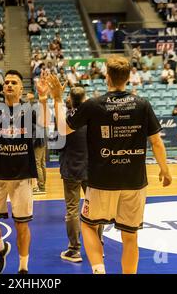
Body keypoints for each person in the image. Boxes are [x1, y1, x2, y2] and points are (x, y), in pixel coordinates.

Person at [48, 55, 172, 274]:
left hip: (101, 182)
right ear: (128, 78)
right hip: (134, 182)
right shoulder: (142, 104)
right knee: (130, 235)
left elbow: (62, 129)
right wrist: (165, 169)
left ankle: (99, 270)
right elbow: (156, 142)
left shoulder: (93, 104)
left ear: (107, 77)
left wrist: (57, 99)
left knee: (87, 224)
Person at [0, 70, 49, 274]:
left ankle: (23, 268)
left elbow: (44, 123)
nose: (9, 84)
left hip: (23, 176)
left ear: (20, 88)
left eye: (13, 82)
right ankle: (1, 248)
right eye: (6, 82)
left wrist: (43, 99)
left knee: (21, 226)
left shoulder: (30, 110)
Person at [59, 87, 103, 263]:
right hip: (91, 169)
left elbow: (57, 144)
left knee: (72, 210)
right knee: (95, 210)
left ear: (70, 99)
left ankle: (74, 250)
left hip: (71, 168)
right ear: (85, 99)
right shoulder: (95, 118)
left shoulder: (66, 119)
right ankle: (98, 245)